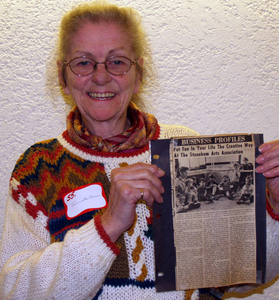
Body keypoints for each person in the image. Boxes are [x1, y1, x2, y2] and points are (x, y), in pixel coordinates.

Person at [0, 2, 279, 300]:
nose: (101, 76)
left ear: (139, 75)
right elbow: (13, 290)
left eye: (117, 61)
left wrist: (273, 208)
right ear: (62, 77)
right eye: (83, 62)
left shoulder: (186, 150)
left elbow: (239, 276)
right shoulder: (39, 169)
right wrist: (107, 225)